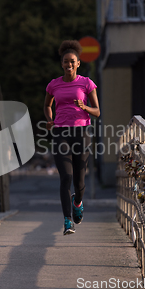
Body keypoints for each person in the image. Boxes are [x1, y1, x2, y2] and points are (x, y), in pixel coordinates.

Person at [43, 40, 100, 235]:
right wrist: (50, 120)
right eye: (65, 62)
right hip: (61, 133)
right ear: (62, 64)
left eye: (72, 61)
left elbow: (98, 111)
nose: (69, 65)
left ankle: (78, 202)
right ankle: (68, 220)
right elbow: (47, 105)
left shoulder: (86, 83)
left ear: (78, 64)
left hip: (81, 133)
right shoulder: (54, 85)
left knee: (80, 181)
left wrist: (85, 107)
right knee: (65, 177)